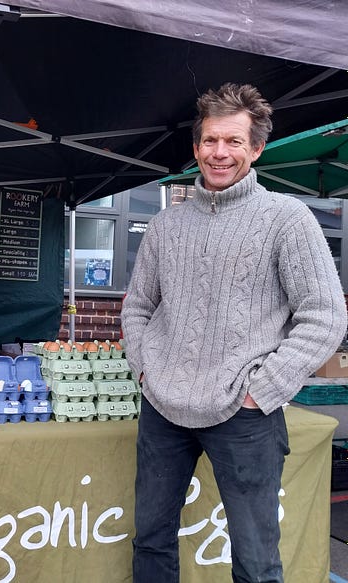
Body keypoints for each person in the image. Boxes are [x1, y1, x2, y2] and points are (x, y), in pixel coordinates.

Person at [121, 82, 347, 583]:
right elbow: (137, 307)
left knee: (255, 557)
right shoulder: (165, 225)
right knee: (151, 541)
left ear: (257, 148)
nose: (219, 153)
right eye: (209, 141)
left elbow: (325, 315)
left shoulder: (288, 220)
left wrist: (262, 389)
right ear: (196, 146)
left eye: (234, 142)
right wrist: (144, 371)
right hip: (163, 407)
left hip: (245, 414)